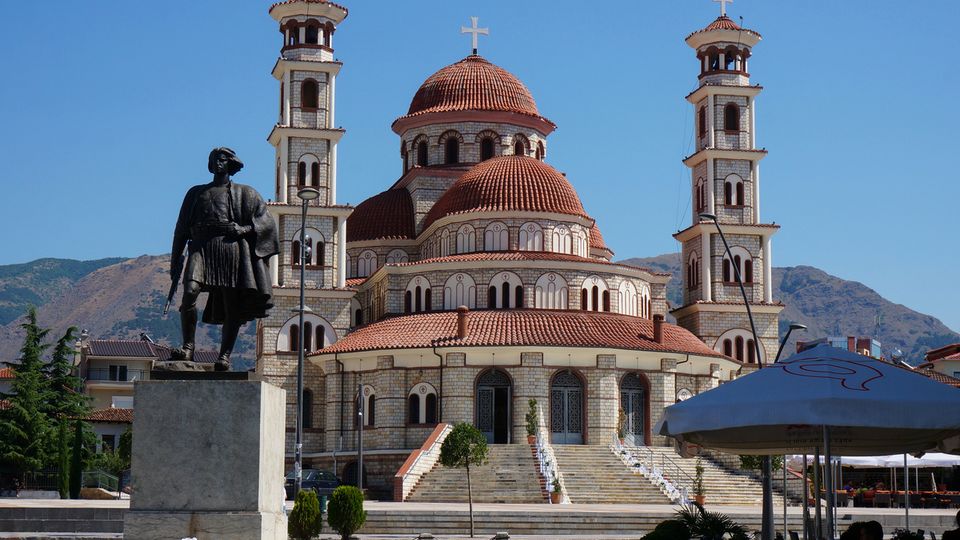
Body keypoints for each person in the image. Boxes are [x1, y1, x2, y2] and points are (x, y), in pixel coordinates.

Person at [170, 147, 279, 371]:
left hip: (230, 248)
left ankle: (224, 356)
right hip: (201, 247)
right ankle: (188, 348)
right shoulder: (195, 193)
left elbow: (266, 223)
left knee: (232, 304)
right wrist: (174, 262)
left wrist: (243, 229)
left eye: (222, 159)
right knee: (190, 293)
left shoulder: (246, 193)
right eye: (214, 160)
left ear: (230, 164)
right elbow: (181, 229)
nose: (218, 163)